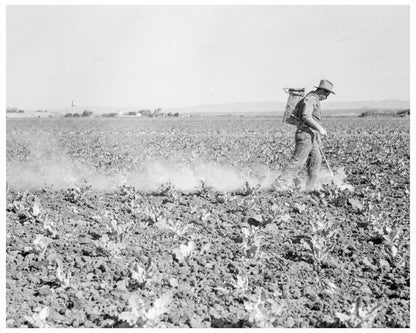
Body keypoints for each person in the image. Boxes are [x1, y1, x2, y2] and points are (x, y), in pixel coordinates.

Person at [278, 79, 335, 190]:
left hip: (311, 134)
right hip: (305, 134)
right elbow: (306, 116)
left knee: (316, 159)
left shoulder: (314, 99)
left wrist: (317, 134)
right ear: (323, 91)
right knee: (299, 160)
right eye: (327, 94)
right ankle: (280, 183)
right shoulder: (310, 99)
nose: (327, 97)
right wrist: (320, 129)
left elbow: (313, 119)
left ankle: (310, 186)